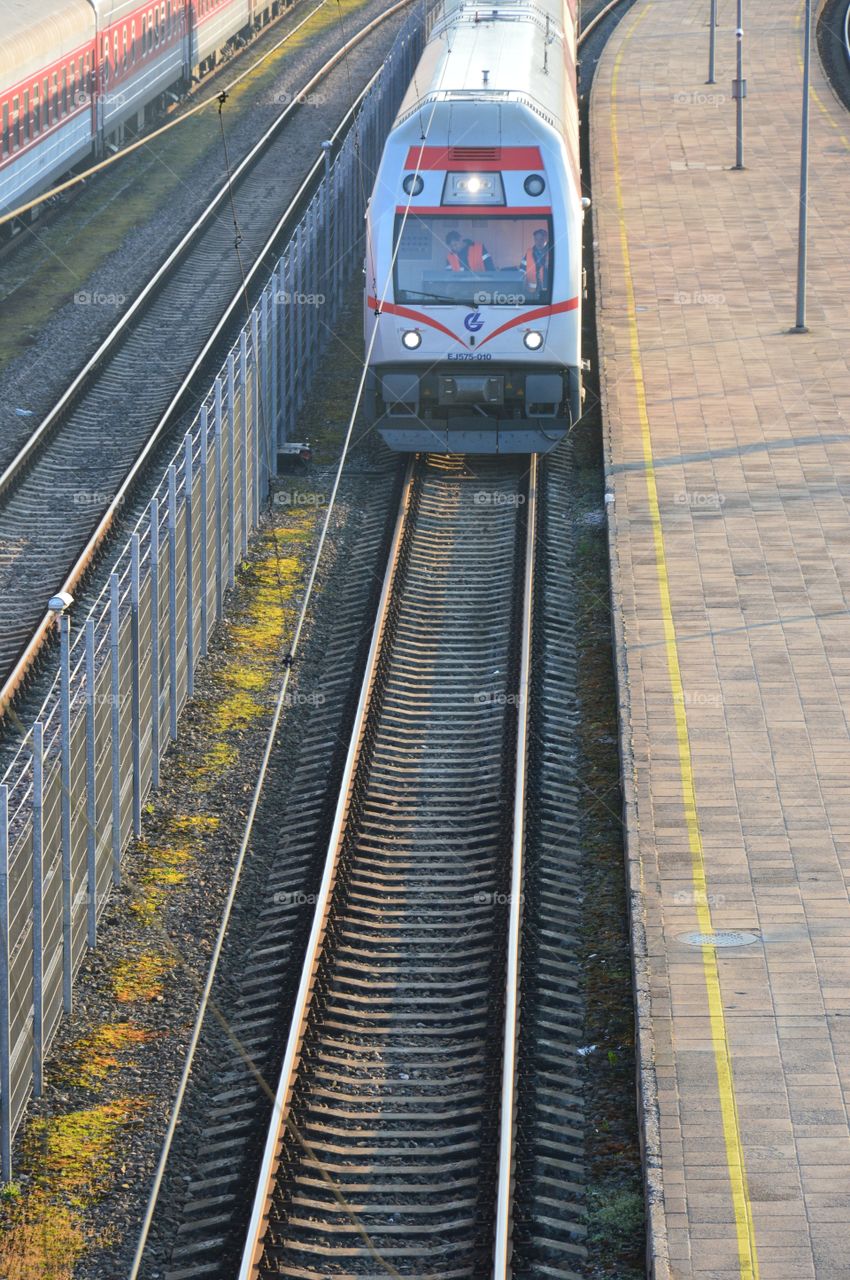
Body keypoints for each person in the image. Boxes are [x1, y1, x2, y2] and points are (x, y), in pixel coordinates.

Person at [520, 228, 551, 295]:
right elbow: (522, 270)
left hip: (548, 291)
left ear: (546, 239)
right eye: (536, 239)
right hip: (531, 291)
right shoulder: (529, 253)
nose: (538, 242)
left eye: (541, 239)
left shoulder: (553, 252)